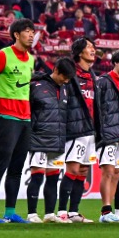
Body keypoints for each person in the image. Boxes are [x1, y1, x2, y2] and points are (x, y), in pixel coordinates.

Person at [0, 19, 36, 223]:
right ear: (16, 35)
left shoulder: (30, 59)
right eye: (27, 31)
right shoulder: (2, 55)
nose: (31, 35)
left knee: (17, 167)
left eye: (33, 31)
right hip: (6, 117)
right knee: (1, 164)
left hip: (25, 118)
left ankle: (10, 211)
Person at [24, 57, 76, 223]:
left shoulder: (65, 88)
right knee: (37, 177)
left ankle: (49, 214)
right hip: (39, 138)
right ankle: (32, 214)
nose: (66, 80)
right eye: (64, 77)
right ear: (55, 70)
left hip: (58, 139)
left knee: (53, 177)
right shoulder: (36, 86)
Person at [58, 38, 97, 223]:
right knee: (72, 169)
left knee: (82, 171)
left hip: (90, 130)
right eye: (89, 47)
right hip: (74, 128)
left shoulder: (93, 77)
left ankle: (73, 212)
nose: (93, 50)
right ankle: (61, 212)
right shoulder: (71, 75)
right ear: (80, 52)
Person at [94, 50, 119, 223]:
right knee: (108, 171)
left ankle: (111, 213)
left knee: (117, 172)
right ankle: (105, 211)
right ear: (115, 63)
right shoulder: (103, 81)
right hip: (108, 132)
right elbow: (97, 107)